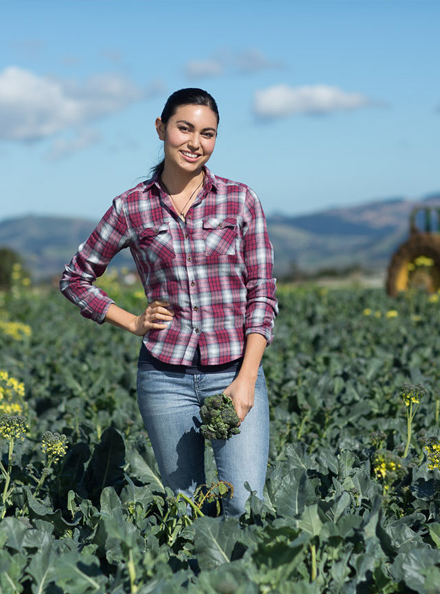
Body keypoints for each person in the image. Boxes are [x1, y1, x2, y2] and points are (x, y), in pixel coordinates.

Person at [60, 88, 277, 516]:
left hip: (234, 372)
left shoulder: (240, 200)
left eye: (208, 133)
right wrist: (132, 322)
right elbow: (75, 277)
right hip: (164, 380)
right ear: (161, 129)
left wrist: (247, 377)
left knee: (244, 504)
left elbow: (263, 294)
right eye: (185, 128)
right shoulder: (131, 208)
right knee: (187, 510)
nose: (196, 142)